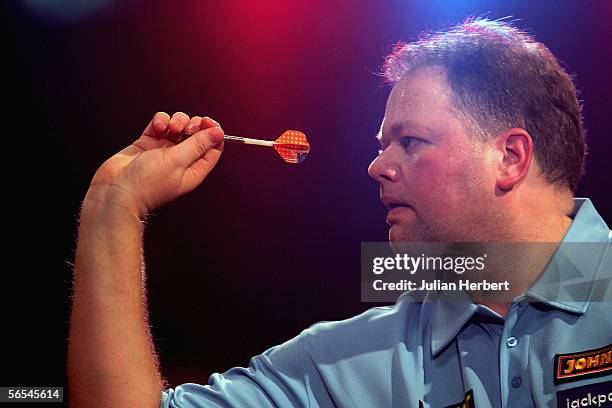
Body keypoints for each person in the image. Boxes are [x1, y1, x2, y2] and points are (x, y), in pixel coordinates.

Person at [67, 18, 611, 407]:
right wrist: (113, 210)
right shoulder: (342, 365)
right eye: (381, 144)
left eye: (411, 141)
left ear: (510, 158)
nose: (376, 167)